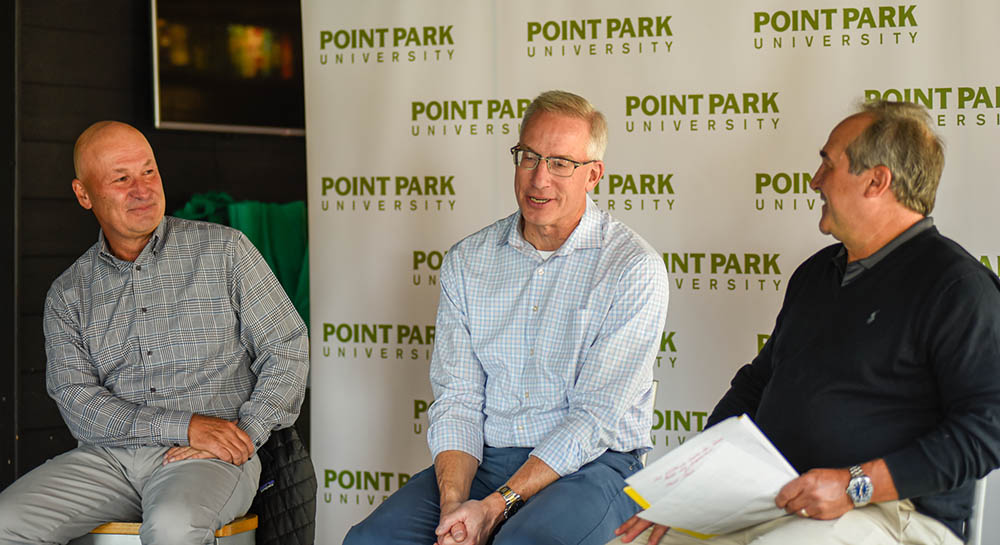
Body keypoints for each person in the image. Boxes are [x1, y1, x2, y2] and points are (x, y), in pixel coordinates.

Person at [611, 101, 1000, 545]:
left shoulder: (958, 287)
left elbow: (988, 430)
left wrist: (854, 485)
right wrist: (690, 486)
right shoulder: (816, 273)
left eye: (828, 165)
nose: (815, 181)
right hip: (773, 501)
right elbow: (756, 386)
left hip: (893, 513)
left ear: (877, 181)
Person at [344, 90, 669, 545]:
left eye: (560, 163)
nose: (539, 179)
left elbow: (595, 419)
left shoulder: (633, 268)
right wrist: (456, 505)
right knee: (370, 541)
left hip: (594, 466)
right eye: (529, 157)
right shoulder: (468, 260)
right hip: (488, 461)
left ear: (592, 175)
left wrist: (494, 508)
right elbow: (457, 399)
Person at [0, 121, 310, 544]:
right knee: (5, 522)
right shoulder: (70, 293)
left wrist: (246, 432)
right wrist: (183, 426)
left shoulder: (225, 251)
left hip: (210, 458)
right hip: (108, 460)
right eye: (121, 178)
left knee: (173, 526)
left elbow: (287, 349)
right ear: (84, 194)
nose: (142, 189)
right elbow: (77, 400)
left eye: (149, 172)